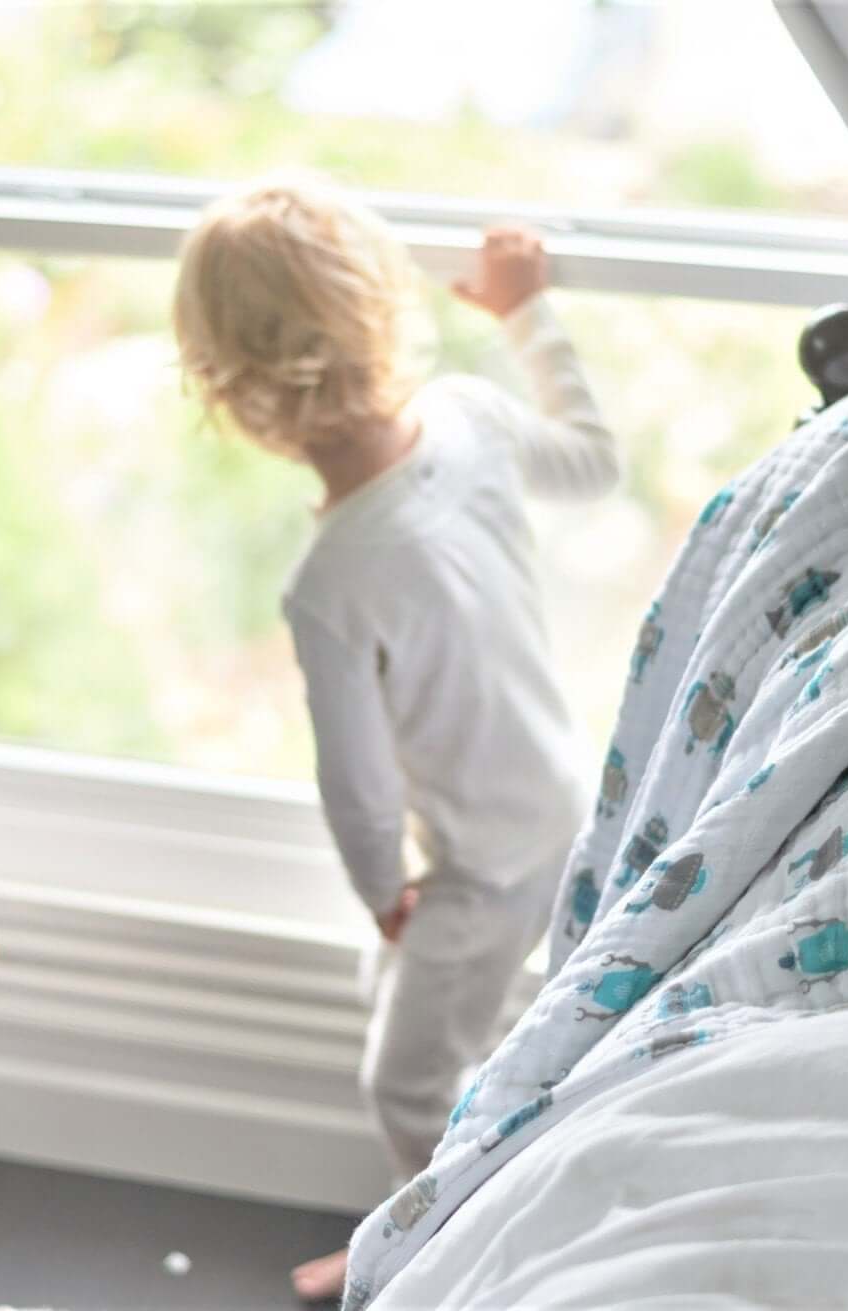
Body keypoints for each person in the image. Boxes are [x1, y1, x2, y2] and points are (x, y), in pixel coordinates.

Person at [173, 178, 622, 1301]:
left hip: (488, 860)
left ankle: (452, 1264)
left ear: (232, 394)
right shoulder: (471, 417)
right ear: (381, 309)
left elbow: (360, 789)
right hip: (566, 794)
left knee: (405, 1085)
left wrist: (383, 889)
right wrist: (526, 313)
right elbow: (595, 461)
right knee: (431, 1025)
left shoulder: (330, 585)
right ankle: (427, 1229)